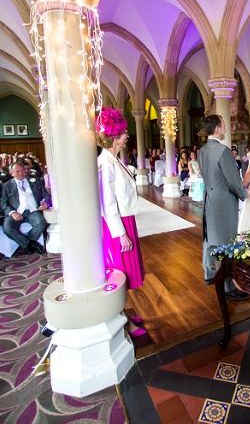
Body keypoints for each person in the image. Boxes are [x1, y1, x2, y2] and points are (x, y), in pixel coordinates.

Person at [97, 107, 147, 338]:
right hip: (118, 225)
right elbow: (107, 203)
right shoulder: (105, 163)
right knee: (119, 275)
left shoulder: (113, 160)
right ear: (115, 137)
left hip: (126, 220)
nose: (127, 135)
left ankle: (124, 315)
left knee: (125, 273)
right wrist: (121, 234)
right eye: (124, 132)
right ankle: (124, 322)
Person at [198, 114, 249, 301]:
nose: (226, 129)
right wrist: (244, 194)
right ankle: (228, 287)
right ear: (218, 128)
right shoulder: (223, 151)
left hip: (209, 199)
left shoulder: (202, 150)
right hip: (224, 202)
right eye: (224, 126)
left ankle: (209, 272)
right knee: (227, 242)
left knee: (211, 237)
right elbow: (233, 180)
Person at [0, 162, 49, 255]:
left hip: (32, 210)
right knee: (7, 228)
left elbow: (46, 195)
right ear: (12, 173)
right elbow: (3, 203)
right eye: (17, 171)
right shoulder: (6, 185)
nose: (21, 173)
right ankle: (31, 244)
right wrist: (12, 213)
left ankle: (26, 244)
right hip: (16, 211)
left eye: (23, 170)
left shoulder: (36, 181)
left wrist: (45, 202)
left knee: (41, 223)